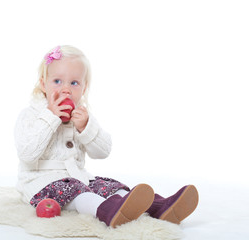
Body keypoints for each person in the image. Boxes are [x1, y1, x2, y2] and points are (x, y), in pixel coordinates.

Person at [14, 45, 199, 228]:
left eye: (74, 83)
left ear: (84, 87)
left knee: (108, 186)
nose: (66, 89)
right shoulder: (31, 115)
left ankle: (160, 206)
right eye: (57, 81)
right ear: (43, 83)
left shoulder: (81, 116)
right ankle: (107, 211)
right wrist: (50, 117)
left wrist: (85, 128)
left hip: (78, 176)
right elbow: (27, 153)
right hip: (40, 184)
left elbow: (103, 151)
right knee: (79, 193)